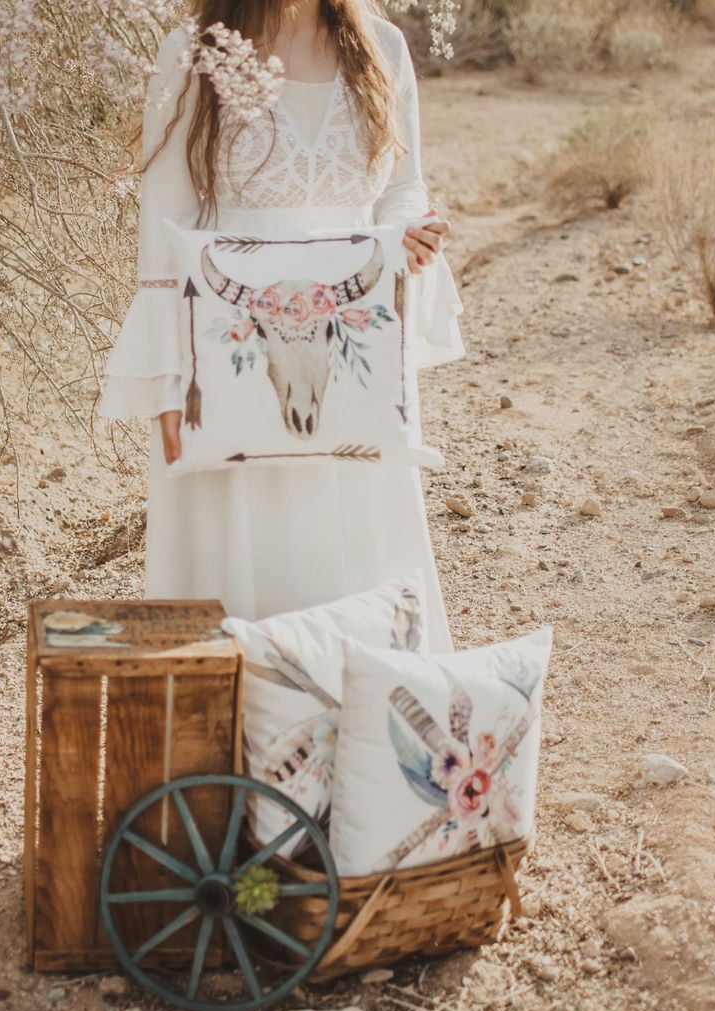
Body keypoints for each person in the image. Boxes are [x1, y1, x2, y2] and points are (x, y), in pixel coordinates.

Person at [97, 0, 465, 650]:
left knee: (360, 569)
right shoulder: (194, 53)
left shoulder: (381, 46)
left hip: (352, 361)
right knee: (240, 584)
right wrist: (166, 387)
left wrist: (412, 229)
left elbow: (403, 185)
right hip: (230, 357)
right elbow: (163, 227)